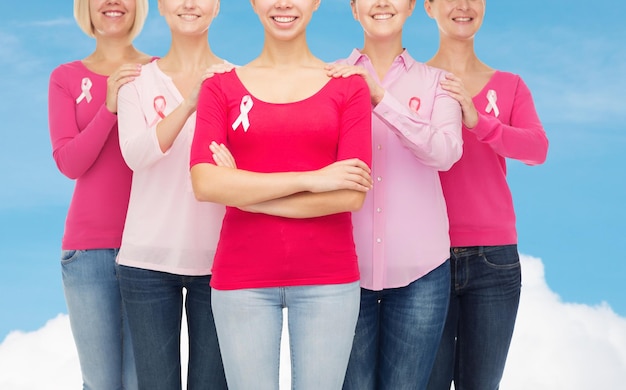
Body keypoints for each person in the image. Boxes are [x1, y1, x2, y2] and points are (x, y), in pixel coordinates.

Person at [189, 0, 373, 388]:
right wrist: (313, 178)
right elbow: (205, 183)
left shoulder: (349, 85)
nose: (284, 3)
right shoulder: (219, 86)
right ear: (254, 3)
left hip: (329, 279)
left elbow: (351, 195)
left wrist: (243, 190)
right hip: (241, 279)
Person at [324, 1, 462, 389]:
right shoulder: (326, 79)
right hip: (342, 272)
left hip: (422, 273)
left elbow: (446, 152)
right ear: (353, 9)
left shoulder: (439, 82)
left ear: (413, 6)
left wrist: (380, 98)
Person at [422, 1, 549, 389]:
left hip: (495, 261)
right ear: (428, 7)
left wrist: (480, 122)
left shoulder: (510, 85)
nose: (462, 6)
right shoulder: (414, 81)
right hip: (425, 259)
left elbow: (537, 149)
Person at [115, 0, 228, 389]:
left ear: (217, 7)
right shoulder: (136, 82)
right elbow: (135, 154)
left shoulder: (238, 80)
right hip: (146, 261)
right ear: (161, 6)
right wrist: (190, 103)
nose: (190, 4)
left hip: (221, 263)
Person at [47, 0, 151, 388]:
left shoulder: (158, 72)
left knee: (144, 381)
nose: (112, 2)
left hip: (149, 251)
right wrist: (108, 108)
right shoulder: (65, 78)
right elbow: (70, 163)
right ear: (85, 8)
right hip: (87, 254)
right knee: (102, 383)